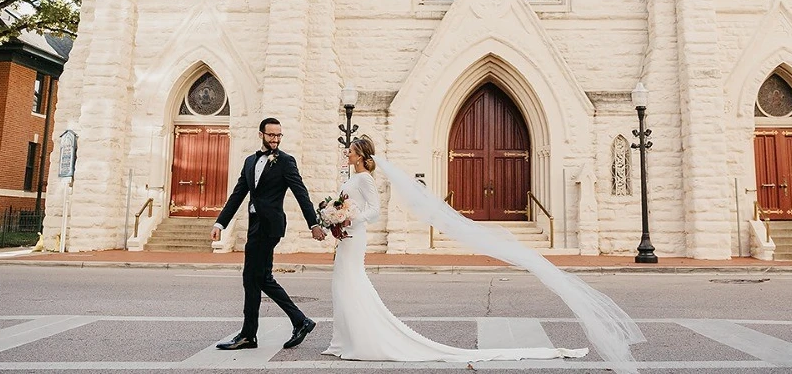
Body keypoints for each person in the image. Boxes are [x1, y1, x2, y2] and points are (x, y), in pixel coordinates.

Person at [321, 135, 589, 363]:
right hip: (346, 236)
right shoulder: (351, 177)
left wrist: (350, 217)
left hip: (355, 235)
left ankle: (358, 340)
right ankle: (342, 341)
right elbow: (346, 204)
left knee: (351, 283)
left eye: (351, 151)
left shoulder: (365, 178)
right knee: (341, 285)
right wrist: (336, 215)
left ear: (360, 155)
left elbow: (374, 211)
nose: (348, 153)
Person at [211, 117, 326, 351]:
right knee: (257, 278)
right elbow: (237, 194)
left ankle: (253, 333)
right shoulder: (249, 162)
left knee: (253, 277)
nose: (275, 139)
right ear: (261, 134)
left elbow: (300, 192)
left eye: (279, 135)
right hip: (255, 225)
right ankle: (294, 322)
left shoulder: (285, 161)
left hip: (270, 227)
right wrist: (220, 223)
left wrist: (313, 223)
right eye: (271, 135)